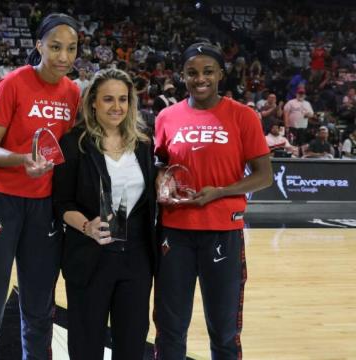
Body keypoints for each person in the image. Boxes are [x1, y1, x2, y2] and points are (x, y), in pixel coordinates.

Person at [0, 13, 81, 359]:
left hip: (45, 206)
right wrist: (21, 161)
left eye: (71, 49)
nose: (63, 56)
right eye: (56, 47)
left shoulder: (73, 92)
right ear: (38, 45)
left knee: (39, 305)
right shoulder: (13, 83)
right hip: (3, 199)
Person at [153, 42, 273, 359]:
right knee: (169, 328)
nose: (200, 78)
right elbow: (161, 165)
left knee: (224, 331)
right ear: (182, 75)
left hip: (222, 231)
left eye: (208, 71)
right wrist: (163, 183)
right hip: (174, 232)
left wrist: (219, 192)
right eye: (192, 72)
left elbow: (264, 176)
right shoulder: (166, 117)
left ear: (220, 73)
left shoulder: (244, 116)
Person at [53, 68, 157, 359]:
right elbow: (61, 202)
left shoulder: (143, 143)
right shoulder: (75, 143)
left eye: (123, 99)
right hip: (89, 257)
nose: (117, 107)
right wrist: (86, 225)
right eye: (108, 99)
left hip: (136, 258)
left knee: (132, 343)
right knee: (86, 345)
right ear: (93, 102)